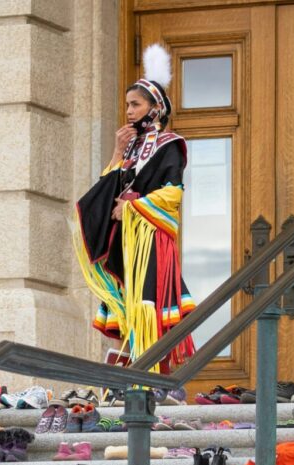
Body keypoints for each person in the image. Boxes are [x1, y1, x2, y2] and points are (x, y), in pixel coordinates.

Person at [73, 44, 195, 374]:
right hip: (125, 241)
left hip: (150, 240)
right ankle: (122, 376)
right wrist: (116, 151)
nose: (128, 111)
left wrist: (131, 208)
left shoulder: (170, 146)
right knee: (122, 303)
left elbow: (172, 194)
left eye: (135, 104)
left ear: (156, 107)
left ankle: (152, 380)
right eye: (127, 104)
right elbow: (104, 191)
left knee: (148, 304)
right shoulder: (130, 151)